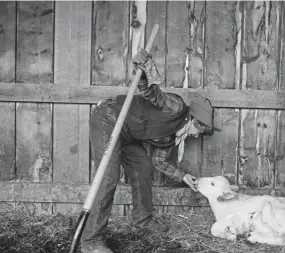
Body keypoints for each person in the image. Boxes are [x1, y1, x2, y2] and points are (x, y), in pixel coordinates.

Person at [81, 49, 220, 253]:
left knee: (143, 168)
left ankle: (142, 222)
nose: (198, 135)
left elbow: (159, 161)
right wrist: (145, 69)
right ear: (193, 119)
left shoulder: (172, 136)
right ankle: (91, 240)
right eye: (200, 129)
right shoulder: (176, 107)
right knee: (109, 176)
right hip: (109, 119)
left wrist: (183, 176)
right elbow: (152, 93)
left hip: (127, 135)